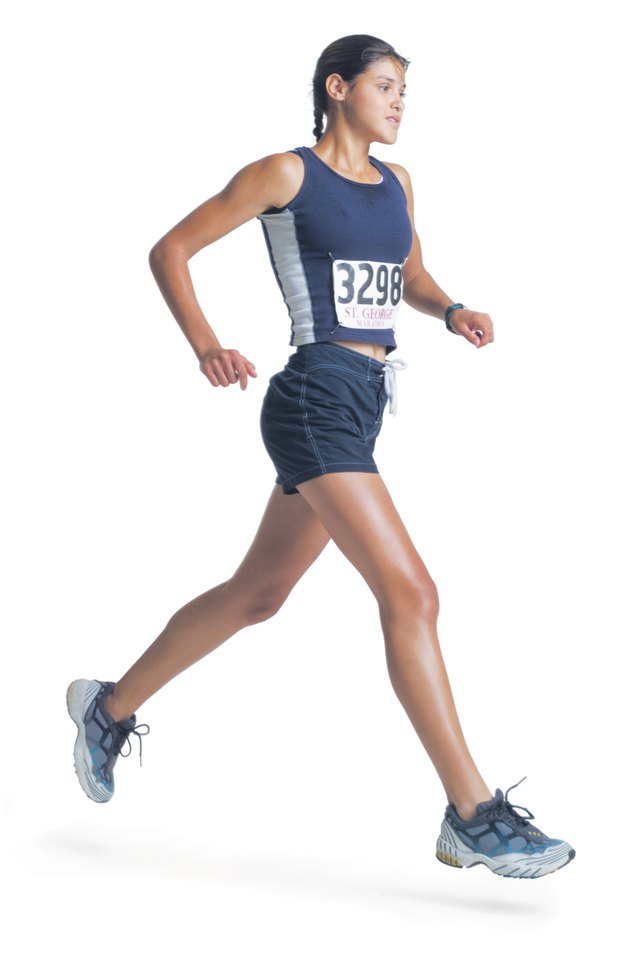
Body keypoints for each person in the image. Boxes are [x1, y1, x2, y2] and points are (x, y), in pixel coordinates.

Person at [67, 35, 575, 879]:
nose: (400, 101)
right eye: (386, 86)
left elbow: (408, 276)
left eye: (405, 91)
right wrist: (207, 345)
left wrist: (449, 311)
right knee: (412, 592)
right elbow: (171, 251)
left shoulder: (399, 184)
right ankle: (473, 815)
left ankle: (106, 708)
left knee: (258, 595)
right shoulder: (286, 174)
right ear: (338, 89)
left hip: (363, 404)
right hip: (312, 398)